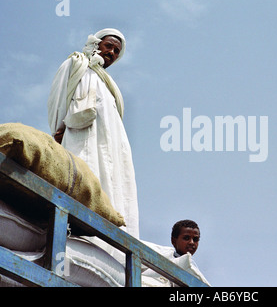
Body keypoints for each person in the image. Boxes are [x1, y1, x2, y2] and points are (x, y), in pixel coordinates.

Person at [47, 28, 139, 240]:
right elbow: (58, 97)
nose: (112, 53)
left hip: (111, 145)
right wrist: (59, 129)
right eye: (109, 46)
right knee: (84, 179)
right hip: (80, 136)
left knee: (113, 189)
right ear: (97, 44)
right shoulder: (76, 64)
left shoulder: (110, 85)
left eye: (116, 51)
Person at [140, 219, 210, 287]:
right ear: (173, 241)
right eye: (186, 238)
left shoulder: (194, 272)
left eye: (195, 239)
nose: (191, 242)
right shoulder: (163, 257)